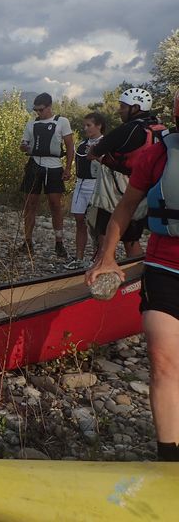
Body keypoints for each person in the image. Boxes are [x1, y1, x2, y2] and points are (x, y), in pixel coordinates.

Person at [86, 129, 179, 462]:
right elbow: (124, 208)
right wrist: (107, 256)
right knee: (164, 362)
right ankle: (170, 459)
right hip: (166, 268)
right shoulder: (156, 156)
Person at [87, 88, 169, 258]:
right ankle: (139, 277)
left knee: (104, 238)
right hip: (145, 192)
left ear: (135, 107)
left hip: (116, 192)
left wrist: (99, 155)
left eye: (123, 106)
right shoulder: (160, 128)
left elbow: (95, 152)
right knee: (132, 241)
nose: (119, 110)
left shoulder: (128, 129)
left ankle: (104, 274)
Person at [18, 92, 75, 258]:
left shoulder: (62, 122)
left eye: (41, 110)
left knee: (55, 205)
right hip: (34, 164)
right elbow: (25, 144)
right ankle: (27, 241)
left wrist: (68, 168)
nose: (38, 113)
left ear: (49, 107)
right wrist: (23, 146)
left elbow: (70, 146)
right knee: (30, 204)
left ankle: (59, 242)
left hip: (55, 166)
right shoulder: (31, 124)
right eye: (36, 110)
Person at [64, 113, 106, 269]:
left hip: (98, 185)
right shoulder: (81, 145)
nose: (85, 128)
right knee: (79, 219)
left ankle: (99, 258)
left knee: (98, 224)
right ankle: (79, 257)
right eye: (85, 125)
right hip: (81, 185)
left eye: (89, 125)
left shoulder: (106, 144)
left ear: (99, 125)